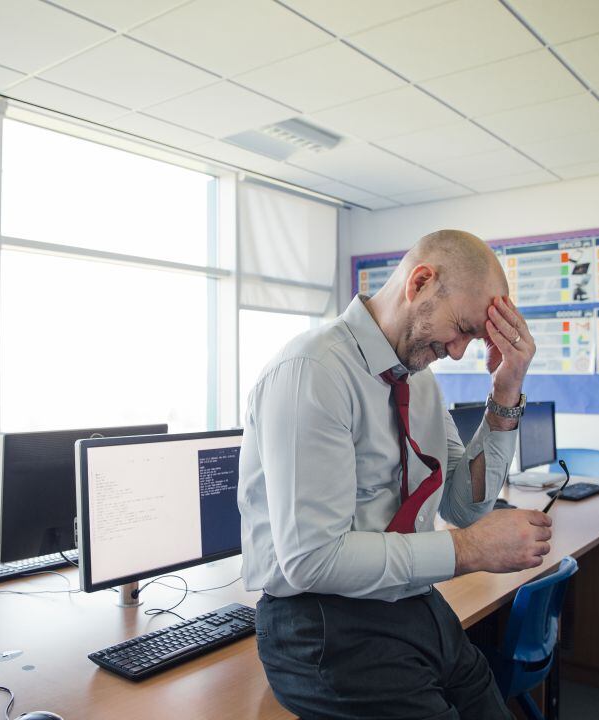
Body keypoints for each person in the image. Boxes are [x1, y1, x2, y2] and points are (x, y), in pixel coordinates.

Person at [238, 229, 551, 719]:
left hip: (412, 601)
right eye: (462, 328)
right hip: (321, 622)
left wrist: (506, 391)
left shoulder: (418, 381)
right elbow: (312, 560)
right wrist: (470, 550)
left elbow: (463, 506)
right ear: (420, 282)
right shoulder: (313, 371)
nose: (458, 352)